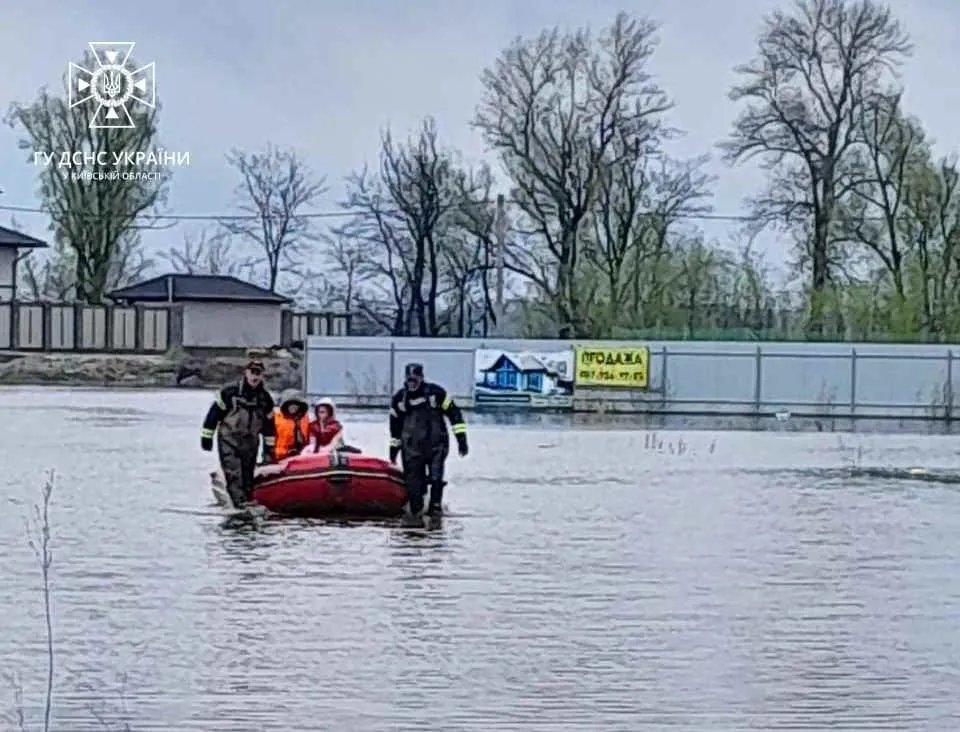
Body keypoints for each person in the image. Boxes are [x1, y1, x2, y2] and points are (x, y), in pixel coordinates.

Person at [388, 362, 468, 517]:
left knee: (436, 479)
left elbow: (455, 414)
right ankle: (416, 517)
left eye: (415, 379)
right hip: (411, 449)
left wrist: (461, 440)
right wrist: (393, 451)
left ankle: (435, 510)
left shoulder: (436, 393)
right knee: (414, 488)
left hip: (436, 446)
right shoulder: (399, 399)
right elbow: (394, 428)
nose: (412, 383)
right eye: (409, 379)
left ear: (421, 377)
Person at [200, 358, 276, 508]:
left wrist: (268, 451)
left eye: (258, 373)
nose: (255, 376)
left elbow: (269, 428)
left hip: (251, 443)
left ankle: (247, 502)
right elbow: (213, 415)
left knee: (248, 477)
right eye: (252, 372)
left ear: (262, 375)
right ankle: (240, 506)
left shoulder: (265, 399)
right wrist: (206, 438)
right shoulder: (229, 392)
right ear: (246, 372)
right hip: (229, 441)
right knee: (234, 474)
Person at [272, 389, 311, 461]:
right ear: (285, 405)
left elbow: (309, 439)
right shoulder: (276, 418)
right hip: (279, 457)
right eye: (290, 404)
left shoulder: (305, 419)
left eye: (296, 404)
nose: (293, 406)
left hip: (301, 456)